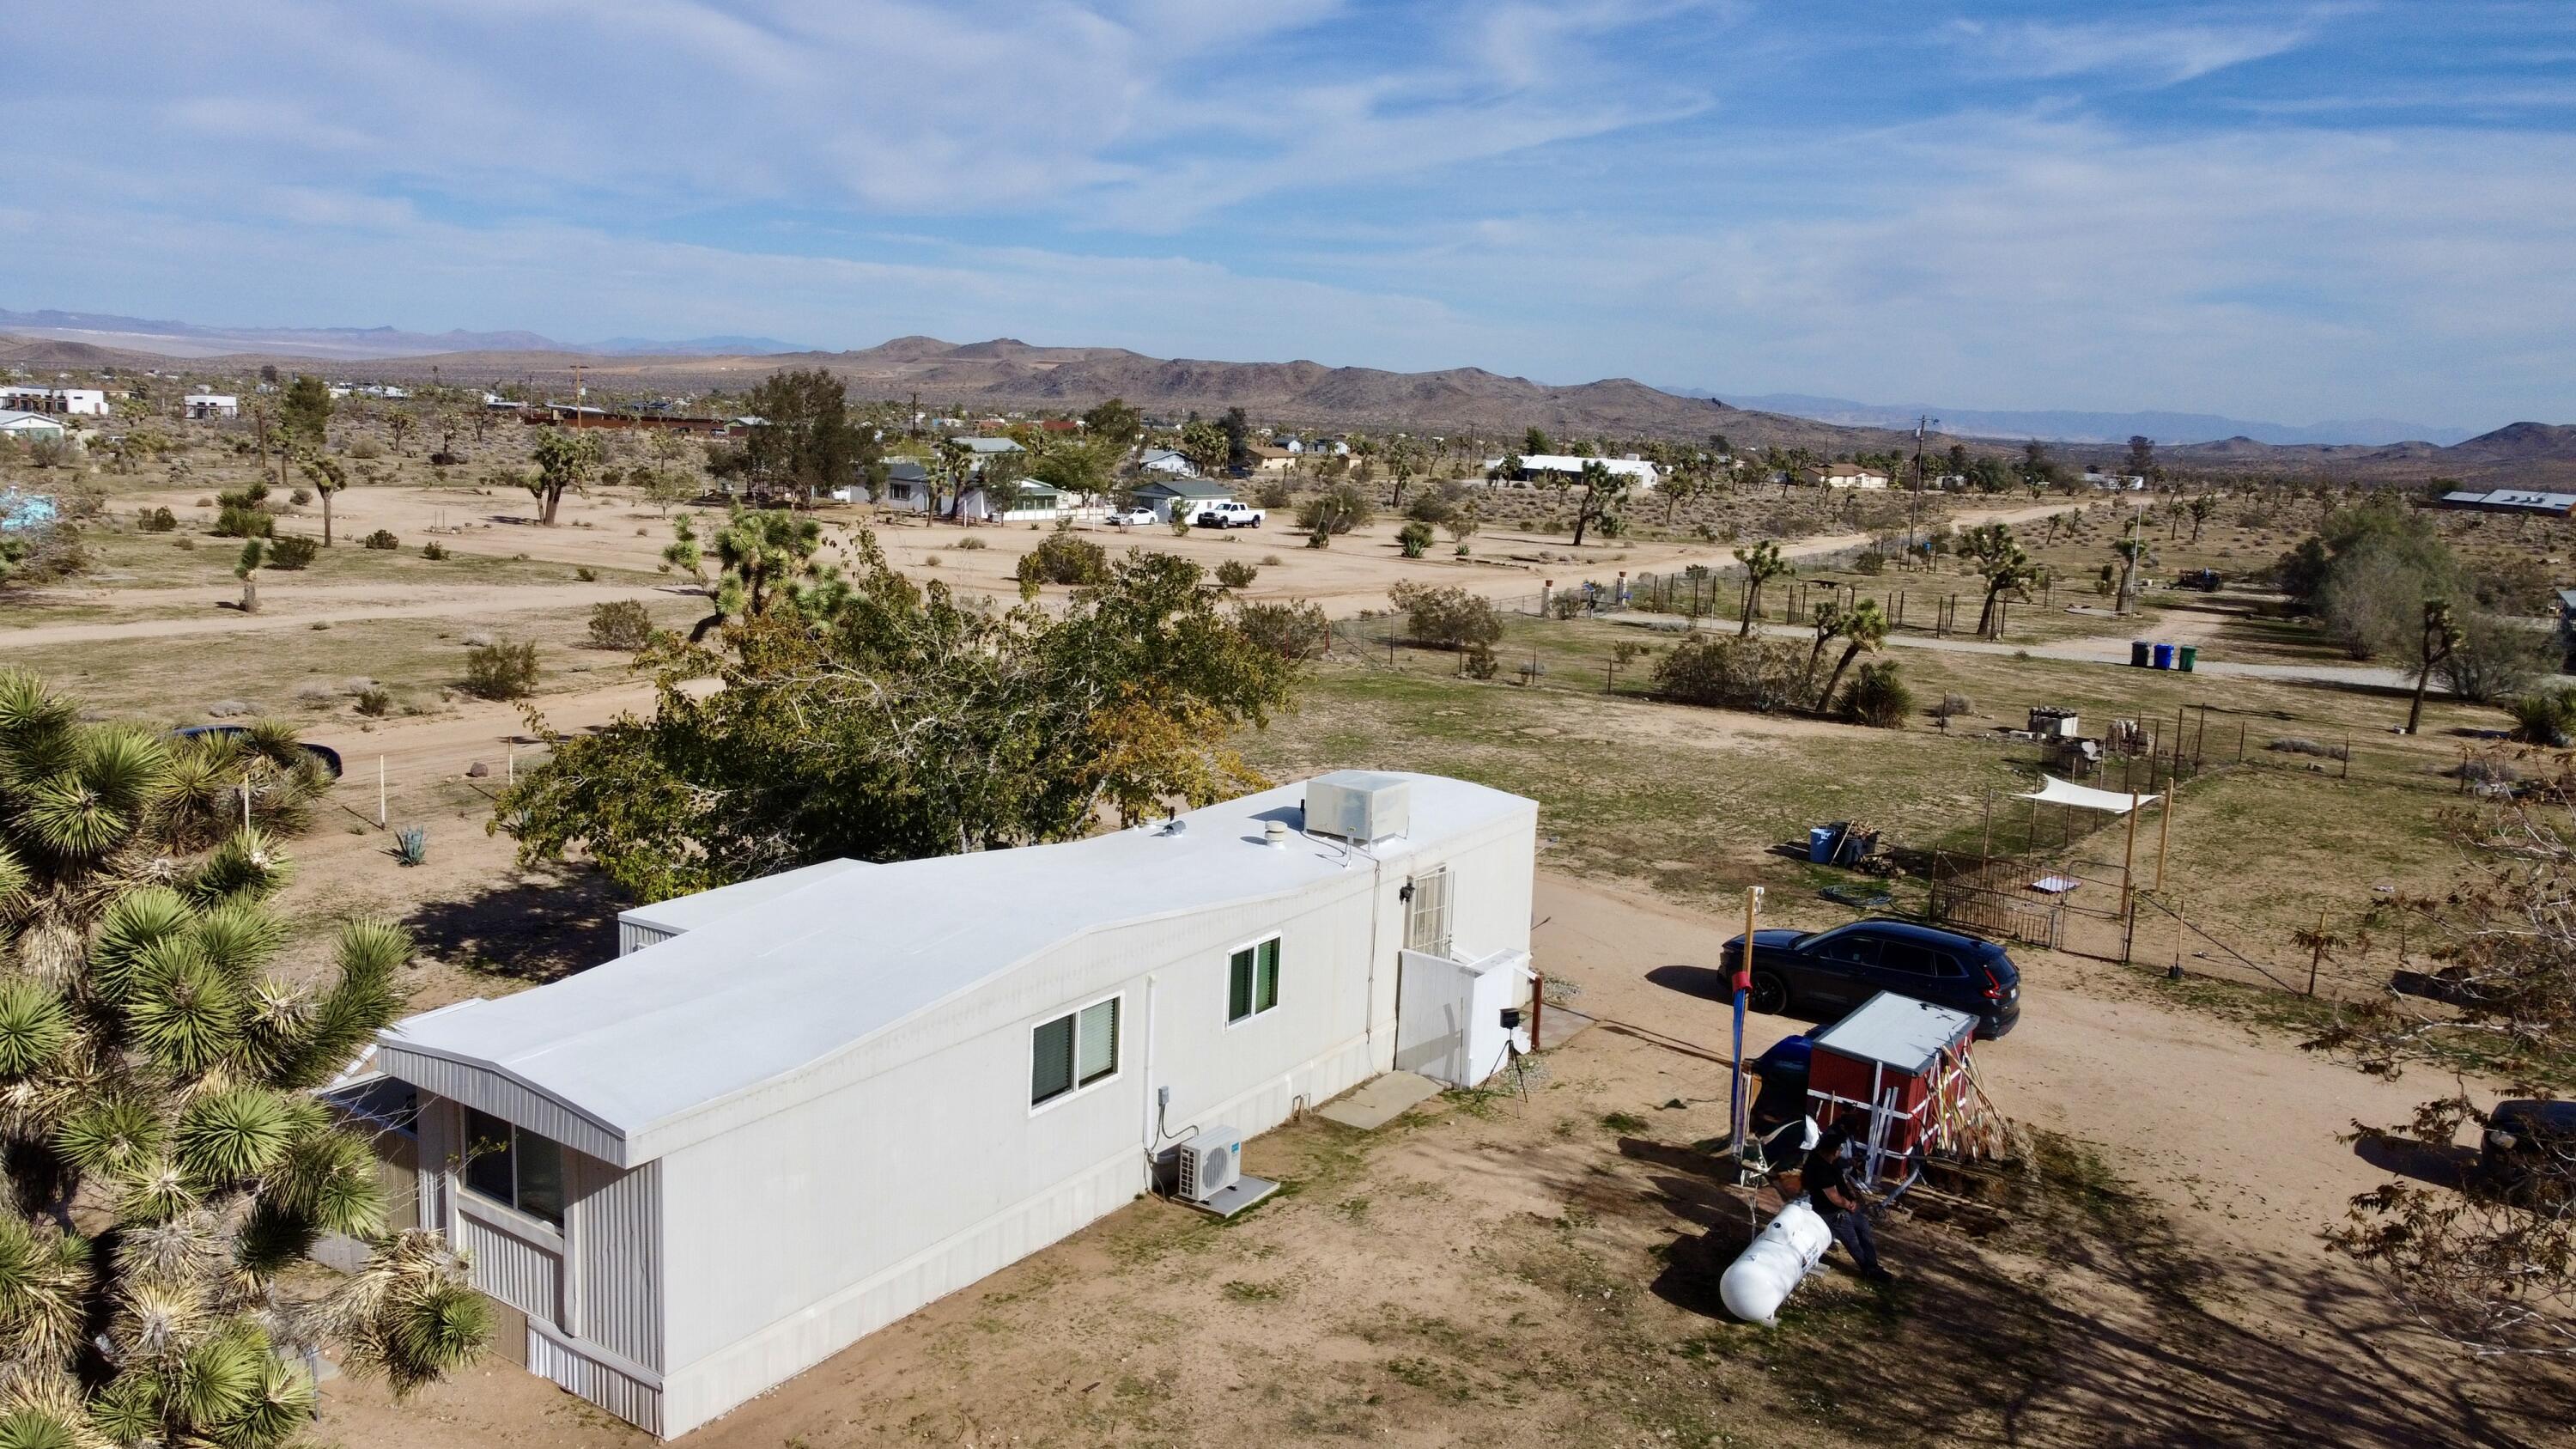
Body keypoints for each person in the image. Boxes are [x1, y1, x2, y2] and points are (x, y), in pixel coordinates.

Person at [1803, 1125, 1893, 1284]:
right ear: (1831, 1151)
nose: (1840, 1151)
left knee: (1864, 1228)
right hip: (1831, 1211)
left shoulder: (1831, 1161)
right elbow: (1833, 1196)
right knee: (1852, 1241)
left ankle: (1873, 1265)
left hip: (1845, 1205)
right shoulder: (1819, 1168)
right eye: (1839, 1149)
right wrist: (1848, 1204)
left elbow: (1842, 1177)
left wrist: (1852, 1198)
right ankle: (1868, 1270)